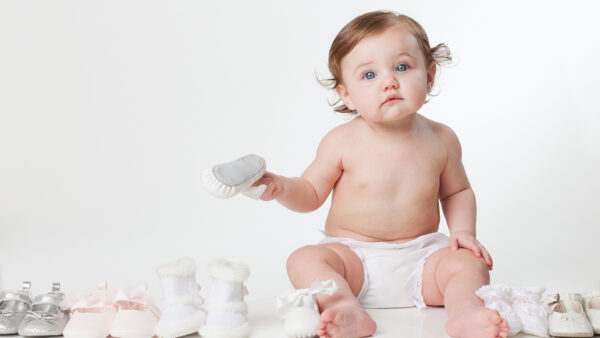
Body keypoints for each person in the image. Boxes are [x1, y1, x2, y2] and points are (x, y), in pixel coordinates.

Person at [253, 11, 509, 338]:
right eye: (369, 75)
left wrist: (463, 232)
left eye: (402, 67)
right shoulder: (341, 141)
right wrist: (281, 187)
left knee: (469, 266)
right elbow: (310, 193)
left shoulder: (442, 138)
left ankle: (465, 313)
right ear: (346, 94)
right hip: (353, 259)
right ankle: (343, 306)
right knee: (304, 259)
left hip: (423, 258)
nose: (389, 81)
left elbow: (457, 192)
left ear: (429, 76)